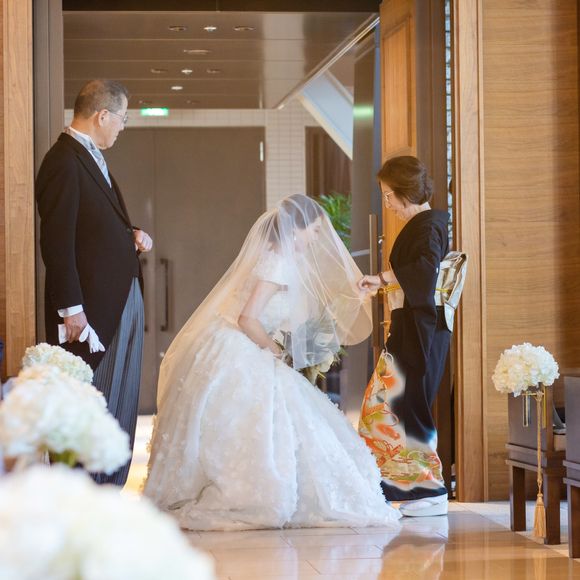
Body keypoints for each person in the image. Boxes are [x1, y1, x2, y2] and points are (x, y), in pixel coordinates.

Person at [144, 194, 401, 530]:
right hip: (241, 345)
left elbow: (314, 297)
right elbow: (247, 318)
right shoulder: (276, 264)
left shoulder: (279, 259)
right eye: (313, 231)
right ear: (295, 230)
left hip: (242, 343)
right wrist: (275, 352)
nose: (315, 239)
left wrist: (357, 292)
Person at [36, 79, 153, 486]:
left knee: (120, 399)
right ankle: (88, 491)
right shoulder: (63, 161)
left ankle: (108, 490)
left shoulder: (91, 157)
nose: (122, 127)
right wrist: (72, 309)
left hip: (118, 298)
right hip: (91, 310)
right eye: (122, 119)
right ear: (103, 115)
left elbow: (93, 225)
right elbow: (57, 241)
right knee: (97, 398)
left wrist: (130, 234)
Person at [358, 156, 451, 517]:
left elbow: (425, 271)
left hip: (419, 330)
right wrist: (380, 283)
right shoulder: (425, 225)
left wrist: (381, 279)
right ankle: (406, 487)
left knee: (403, 407)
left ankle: (429, 491)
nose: (387, 204)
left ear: (406, 192)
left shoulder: (427, 227)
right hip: (412, 326)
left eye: (388, 196)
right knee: (385, 406)